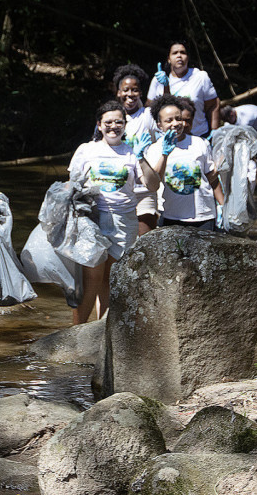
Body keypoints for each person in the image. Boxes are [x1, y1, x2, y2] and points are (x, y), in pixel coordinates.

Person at [68, 100, 157, 324]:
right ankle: (76, 333)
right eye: (108, 122)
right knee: (91, 280)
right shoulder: (86, 150)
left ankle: (103, 332)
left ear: (125, 125)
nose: (113, 127)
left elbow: (153, 185)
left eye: (119, 122)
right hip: (92, 220)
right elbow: (71, 186)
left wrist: (141, 157)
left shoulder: (131, 152)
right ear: (99, 125)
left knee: (112, 280)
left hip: (124, 221)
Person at [144, 94, 225, 229]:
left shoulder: (200, 143)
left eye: (178, 118)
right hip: (172, 215)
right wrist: (164, 154)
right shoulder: (155, 149)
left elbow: (212, 178)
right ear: (159, 125)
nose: (175, 123)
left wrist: (222, 205)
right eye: (169, 120)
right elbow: (154, 181)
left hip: (203, 215)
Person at [112, 64, 159, 234]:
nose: (130, 94)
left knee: (145, 241)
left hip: (143, 190)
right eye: (126, 90)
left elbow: (168, 113)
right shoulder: (111, 119)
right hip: (118, 190)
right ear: (118, 92)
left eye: (135, 90)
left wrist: (166, 87)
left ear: (140, 93)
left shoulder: (148, 116)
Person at [145, 40, 220, 138]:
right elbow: (150, 108)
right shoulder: (158, 80)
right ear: (169, 59)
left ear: (188, 57)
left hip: (199, 134)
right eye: (175, 53)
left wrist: (215, 131)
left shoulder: (200, 77)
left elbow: (213, 104)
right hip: (169, 136)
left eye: (183, 52)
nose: (179, 56)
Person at [219, 103, 257, 186]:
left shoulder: (246, 119)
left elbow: (243, 138)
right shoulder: (231, 117)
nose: (227, 122)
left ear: (231, 114)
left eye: (227, 120)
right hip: (253, 130)